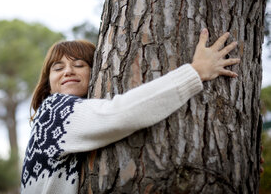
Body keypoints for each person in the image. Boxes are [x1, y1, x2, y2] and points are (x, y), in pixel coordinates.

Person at [21, 28, 240, 193]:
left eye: (79, 65)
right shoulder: (54, 111)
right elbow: (120, 114)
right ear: (48, 85)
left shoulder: (74, 127)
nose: (68, 71)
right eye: (58, 68)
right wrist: (195, 72)